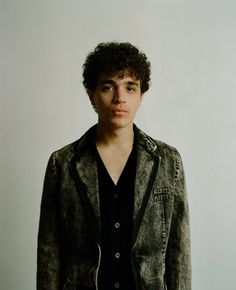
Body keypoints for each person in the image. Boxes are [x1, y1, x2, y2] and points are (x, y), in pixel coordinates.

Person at [37, 42, 191, 290]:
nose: (120, 98)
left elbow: (178, 253)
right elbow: (49, 253)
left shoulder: (168, 161)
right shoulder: (62, 164)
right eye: (108, 87)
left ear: (141, 96)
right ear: (91, 94)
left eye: (130, 87)